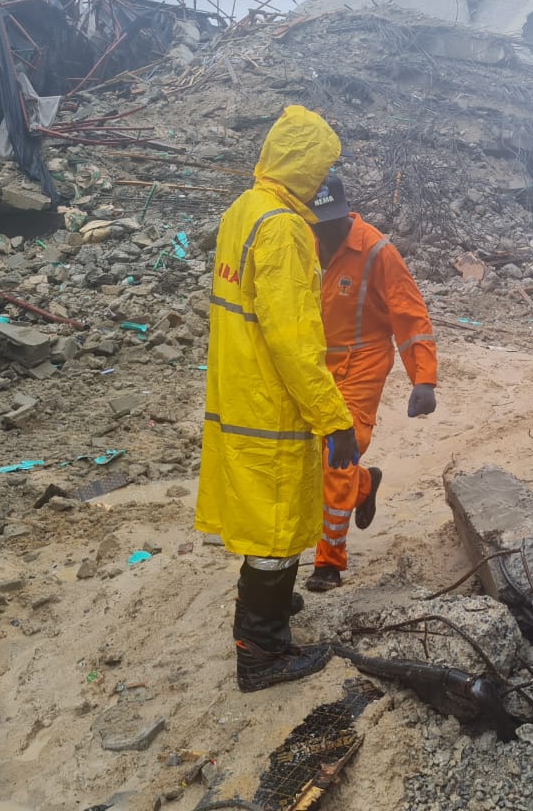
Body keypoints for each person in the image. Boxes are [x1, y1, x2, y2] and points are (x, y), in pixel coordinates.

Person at [195, 105, 360, 693]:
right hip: (274, 405)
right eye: (322, 167)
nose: (323, 180)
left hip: (239, 395)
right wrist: (333, 419)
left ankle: (271, 610)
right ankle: (262, 653)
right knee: (279, 527)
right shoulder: (285, 229)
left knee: (267, 517)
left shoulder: (245, 210)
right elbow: (293, 341)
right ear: (304, 165)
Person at [303, 173, 438, 592]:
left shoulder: (378, 252)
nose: (326, 230)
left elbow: (411, 317)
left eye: (332, 220)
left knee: (337, 456)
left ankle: (329, 561)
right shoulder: (302, 243)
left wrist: (424, 379)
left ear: (346, 211)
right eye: (318, 221)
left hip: (362, 366)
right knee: (305, 454)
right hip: (313, 366)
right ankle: (365, 483)